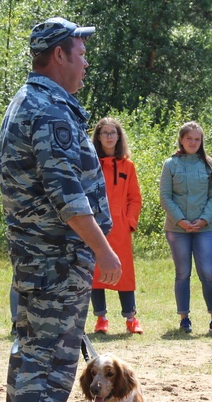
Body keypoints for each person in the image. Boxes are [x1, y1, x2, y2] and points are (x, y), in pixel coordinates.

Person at [0, 17, 116, 402]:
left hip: (42, 260)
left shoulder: (34, 103)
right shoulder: (49, 112)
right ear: (59, 55)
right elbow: (68, 198)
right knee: (50, 360)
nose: (86, 60)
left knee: (33, 355)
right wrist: (105, 250)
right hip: (56, 261)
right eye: (80, 51)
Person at [159, 121, 212, 335]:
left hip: (204, 228)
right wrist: (180, 220)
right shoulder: (170, 164)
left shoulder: (209, 164)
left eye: (197, 139)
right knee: (183, 273)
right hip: (177, 229)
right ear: (181, 139)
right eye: (189, 139)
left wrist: (204, 219)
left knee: (207, 272)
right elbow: (165, 196)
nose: (193, 143)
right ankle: (184, 318)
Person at [88, 118, 143, 335]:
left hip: (120, 227)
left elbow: (135, 198)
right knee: (96, 271)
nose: (109, 136)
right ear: (98, 137)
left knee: (124, 271)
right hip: (95, 225)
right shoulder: (90, 163)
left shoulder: (127, 166)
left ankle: (131, 318)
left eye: (113, 133)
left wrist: (129, 221)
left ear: (119, 137)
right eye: (105, 133)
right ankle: (101, 318)